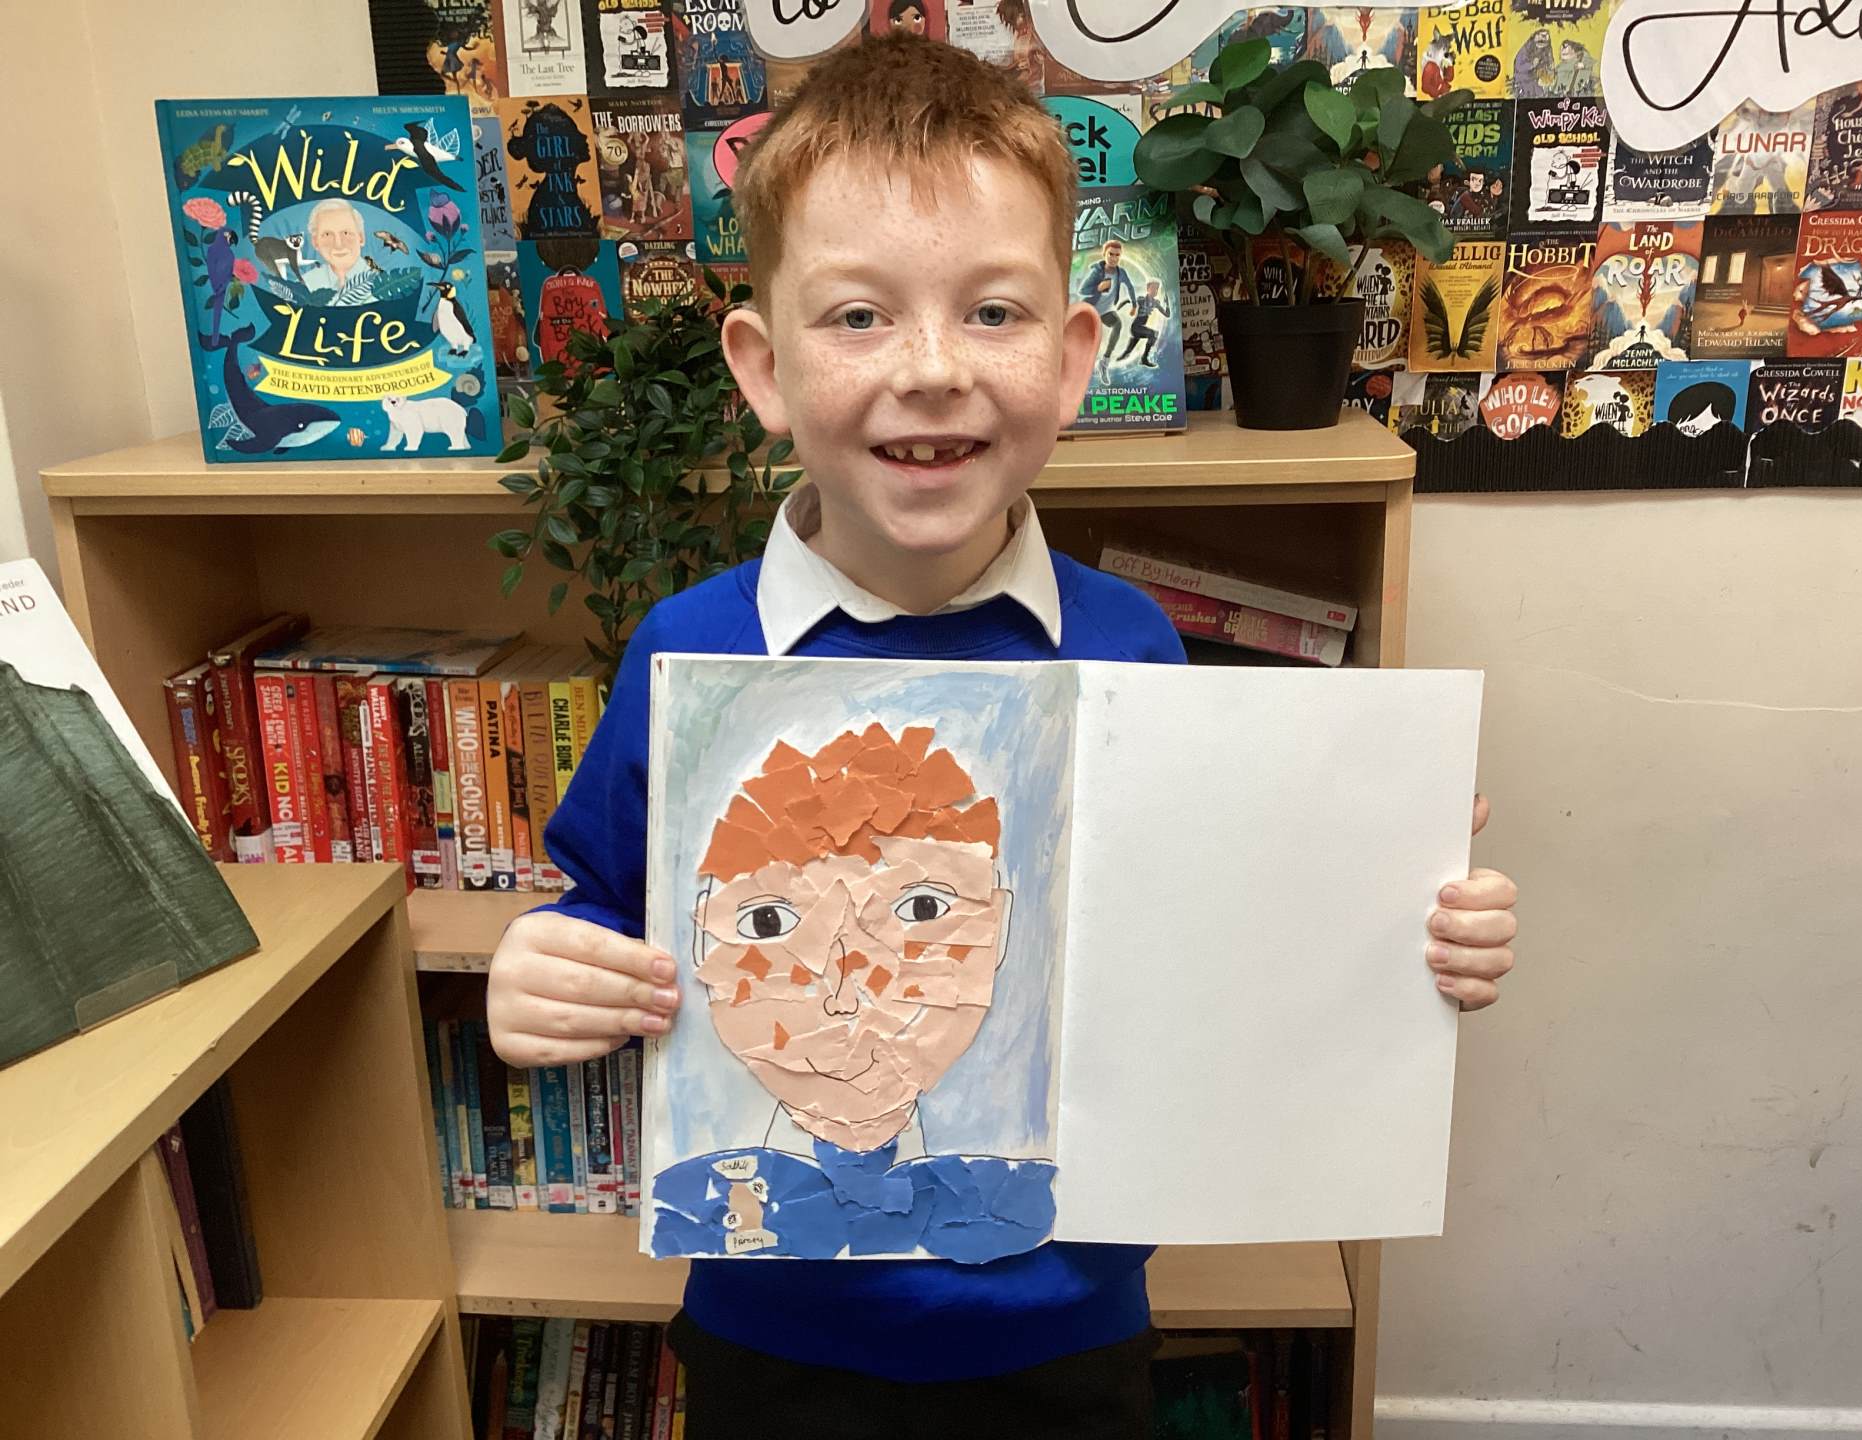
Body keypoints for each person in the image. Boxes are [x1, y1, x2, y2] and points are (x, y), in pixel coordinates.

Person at [484, 35, 1520, 1440]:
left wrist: (1401, 929)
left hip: (1066, 1337)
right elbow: (606, 914)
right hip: (774, 1344)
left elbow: (1201, 943)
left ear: (1075, 357)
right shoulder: (689, 655)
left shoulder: (1131, 646)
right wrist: (541, 973)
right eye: (858, 316)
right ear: (764, 369)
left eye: (992, 312)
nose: (931, 371)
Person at [652, 724, 1056, 1263]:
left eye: (923, 909)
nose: (846, 1000)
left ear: (998, 932)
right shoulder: (683, 1206)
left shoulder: (1033, 1198)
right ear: (700, 946)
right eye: (767, 922)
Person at [1079, 238, 1136, 384]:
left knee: (1117, 324)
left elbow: (1130, 287)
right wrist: (1098, 288)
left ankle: (1104, 362)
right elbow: (1083, 290)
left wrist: (1134, 305)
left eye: (1117, 255)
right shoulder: (1096, 272)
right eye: (1111, 254)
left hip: (1105, 312)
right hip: (1090, 310)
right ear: (1104, 254)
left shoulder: (1120, 273)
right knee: (1087, 339)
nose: (1114, 258)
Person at [303, 198, 377, 303]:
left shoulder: (384, 284)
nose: (338, 244)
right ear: (315, 242)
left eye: (346, 233)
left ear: (361, 238)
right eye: (327, 234)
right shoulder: (304, 287)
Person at [1114, 278, 1170, 367]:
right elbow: (1128, 300)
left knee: (1127, 352)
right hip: (1135, 327)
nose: (1155, 290)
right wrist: (1117, 308)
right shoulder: (1141, 299)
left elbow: (1167, 314)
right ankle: (1144, 359)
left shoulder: (1156, 303)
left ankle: (1122, 358)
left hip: (1140, 329)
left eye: (1156, 289)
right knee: (1153, 334)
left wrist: (1167, 304)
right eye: (1153, 288)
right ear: (1148, 289)